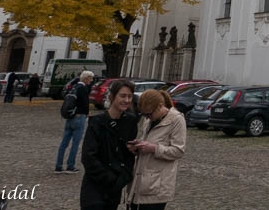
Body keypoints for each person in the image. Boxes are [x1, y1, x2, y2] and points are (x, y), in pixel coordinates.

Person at [81, 79, 137, 210]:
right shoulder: (97, 123)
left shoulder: (130, 122)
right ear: (112, 97)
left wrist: (123, 177)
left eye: (129, 96)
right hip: (94, 188)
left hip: (114, 190)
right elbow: (88, 157)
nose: (126, 100)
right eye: (122, 96)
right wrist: (109, 178)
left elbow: (128, 154)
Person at [128, 89, 187, 210]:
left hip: (158, 185)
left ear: (160, 106)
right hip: (140, 181)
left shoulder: (176, 119)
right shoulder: (149, 120)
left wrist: (154, 148)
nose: (147, 117)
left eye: (149, 114)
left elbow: (178, 151)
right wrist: (138, 145)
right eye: (144, 114)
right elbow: (149, 140)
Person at [56, 70, 93, 173]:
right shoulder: (83, 89)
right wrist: (87, 114)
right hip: (79, 117)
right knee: (75, 143)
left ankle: (58, 165)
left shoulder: (74, 87)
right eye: (90, 78)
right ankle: (70, 166)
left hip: (70, 117)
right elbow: (85, 104)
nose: (91, 81)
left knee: (64, 143)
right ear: (86, 79)